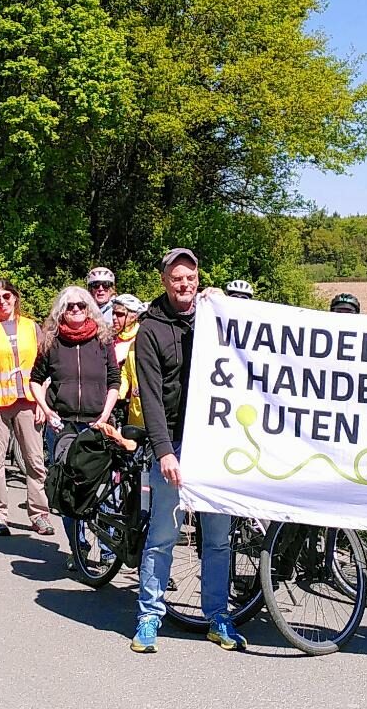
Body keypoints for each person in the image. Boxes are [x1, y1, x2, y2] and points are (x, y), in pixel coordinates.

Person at [131, 247, 242, 653]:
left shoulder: (213, 320)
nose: (185, 285)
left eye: (191, 279)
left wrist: (225, 307)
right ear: (165, 281)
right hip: (174, 443)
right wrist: (164, 451)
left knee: (217, 538)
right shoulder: (150, 331)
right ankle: (148, 616)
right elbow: (152, 397)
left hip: (215, 442)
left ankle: (218, 616)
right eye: (178, 278)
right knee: (164, 533)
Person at [31, 284, 120, 535]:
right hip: (64, 425)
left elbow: (114, 379)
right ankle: (76, 547)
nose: (76, 310)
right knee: (68, 490)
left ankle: (106, 550)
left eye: (82, 305)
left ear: (90, 309)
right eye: (70, 306)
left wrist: (105, 415)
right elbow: (35, 380)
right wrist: (47, 411)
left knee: (103, 489)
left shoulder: (103, 340)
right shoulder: (51, 342)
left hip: (97, 424)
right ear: (62, 311)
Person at [0, 278, 52, 536]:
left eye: (6, 296)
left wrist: (43, 402)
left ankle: (39, 514)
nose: (2, 302)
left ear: (15, 297)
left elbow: (47, 367)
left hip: (28, 402)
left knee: (35, 461)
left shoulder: (31, 327)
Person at [107, 293, 146, 428]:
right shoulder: (111, 338)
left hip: (137, 407)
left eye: (119, 314)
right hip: (114, 402)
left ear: (133, 316)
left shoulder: (141, 338)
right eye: (113, 313)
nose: (114, 318)